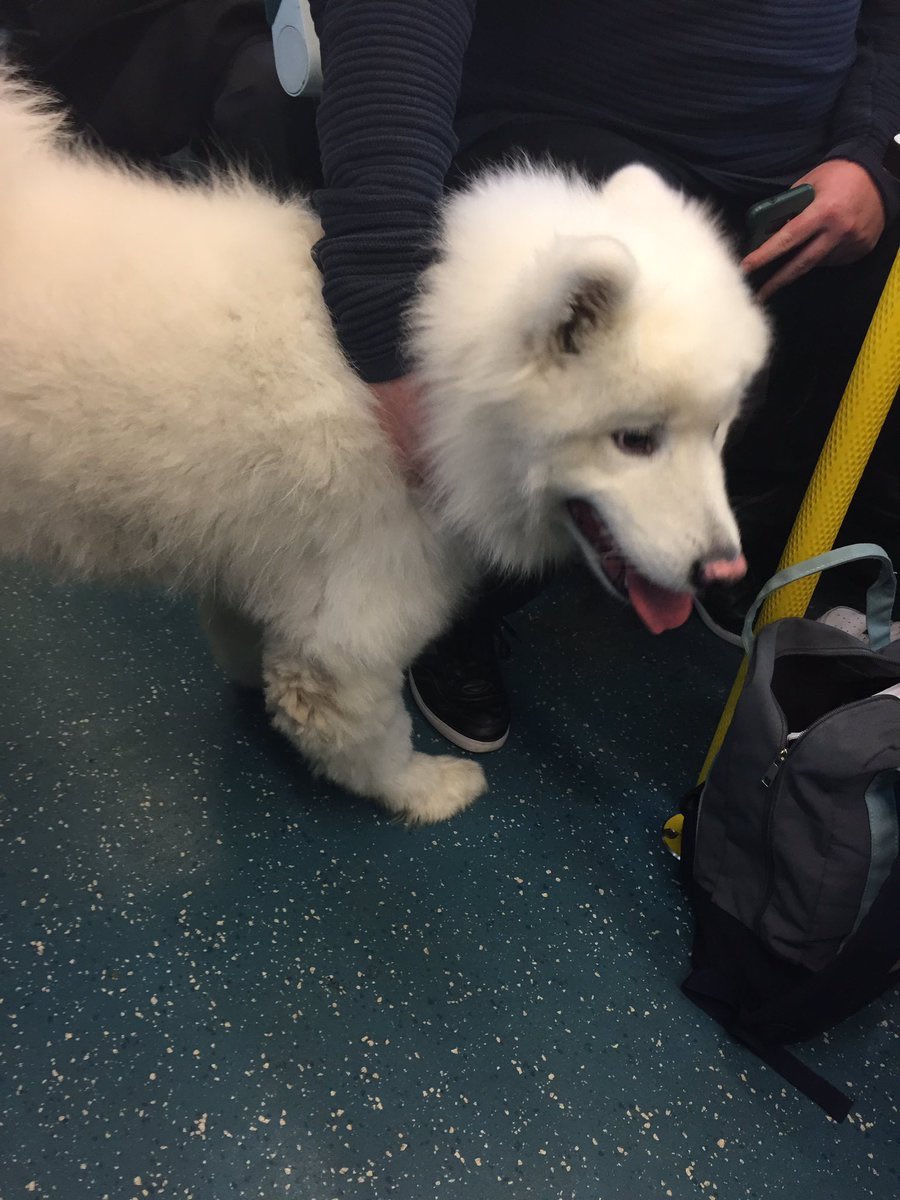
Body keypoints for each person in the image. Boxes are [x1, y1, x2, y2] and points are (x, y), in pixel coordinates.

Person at [305, 0, 900, 752]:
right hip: (568, 123)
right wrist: (386, 309)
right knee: (527, 407)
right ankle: (454, 601)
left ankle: (745, 511)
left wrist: (874, 146)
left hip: (800, 166)